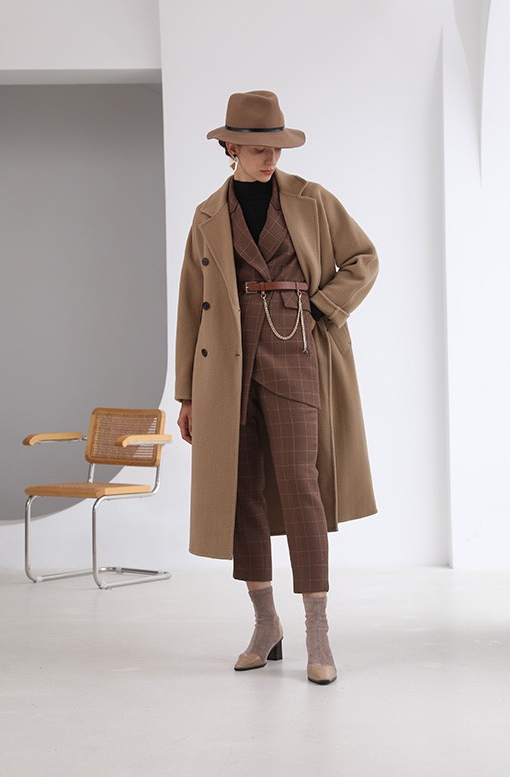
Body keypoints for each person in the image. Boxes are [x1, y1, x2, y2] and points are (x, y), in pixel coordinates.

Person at [175, 90, 378, 685]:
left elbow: (362, 258)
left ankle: (317, 631)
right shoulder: (207, 215)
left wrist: (321, 309)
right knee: (243, 492)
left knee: (301, 486)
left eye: (277, 148)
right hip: (226, 364)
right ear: (231, 148)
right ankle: (266, 624)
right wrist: (187, 394)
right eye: (259, 149)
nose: (271, 159)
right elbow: (191, 304)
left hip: (297, 350)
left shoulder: (312, 199)